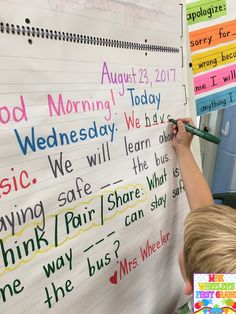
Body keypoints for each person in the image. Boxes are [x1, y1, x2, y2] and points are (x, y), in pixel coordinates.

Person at [172, 118, 236, 314]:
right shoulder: (224, 293)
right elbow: (204, 212)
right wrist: (183, 149)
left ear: (191, 286)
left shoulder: (214, 305)